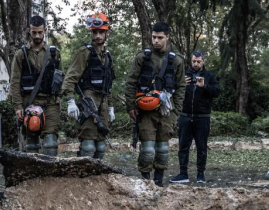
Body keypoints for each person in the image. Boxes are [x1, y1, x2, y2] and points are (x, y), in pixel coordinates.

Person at [125, 22, 186, 187]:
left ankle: (158, 182)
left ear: (167, 37)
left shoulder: (177, 61)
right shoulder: (142, 57)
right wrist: (131, 106)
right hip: (145, 112)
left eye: (160, 38)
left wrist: (176, 112)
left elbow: (181, 87)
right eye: (154, 37)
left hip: (167, 111)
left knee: (163, 150)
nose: (156, 41)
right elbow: (131, 82)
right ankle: (146, 181)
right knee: (148, 150)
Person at [62, 13, 115, 159]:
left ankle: (98, 179)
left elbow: (108, 85)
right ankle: (84, 179)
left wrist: (110, 107)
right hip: (88, 102)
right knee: (88, 146)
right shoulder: (84, 52)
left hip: (103, 104)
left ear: (107, 32)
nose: (98, 36)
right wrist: (70, 100)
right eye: (95, 32)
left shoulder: (107, 56)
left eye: (101, 32)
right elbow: (70, 78)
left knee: (101, 147)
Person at [10, 15, 63, 156]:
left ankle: (49, 175)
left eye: (40, 32)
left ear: (45, 30)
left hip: (50, 103)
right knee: (32, 143)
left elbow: (60, 78)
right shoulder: (21, 54)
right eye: (34, 32)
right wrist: (18, 106)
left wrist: (60, 96)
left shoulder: (54, 54)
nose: (37, 35)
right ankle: (34, 176)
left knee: (51, 142)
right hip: (29, 102)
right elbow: (14, 82)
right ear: (29, 31)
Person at [170, 50, 220, 184]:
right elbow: (171, 90)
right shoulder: (183, 75)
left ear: (203, 61)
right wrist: (181, 85)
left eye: (198, 61)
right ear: (191, 61)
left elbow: (217, 92)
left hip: (202, 117)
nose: (196, 64)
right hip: (185, 116)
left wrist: (205, 86)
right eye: (194, 61)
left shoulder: (209, 76)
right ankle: (183, 174)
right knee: (183, 146)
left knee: (202, 147)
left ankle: (200, 175)